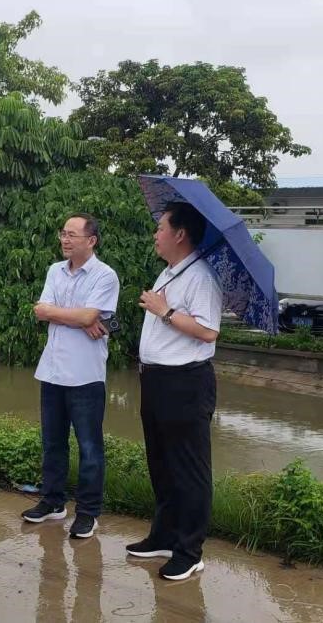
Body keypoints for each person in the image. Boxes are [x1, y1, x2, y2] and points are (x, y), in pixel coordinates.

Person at [127, 202, 223, 581]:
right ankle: (164, 536)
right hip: (156, 381)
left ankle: (189, 551)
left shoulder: (201, 277)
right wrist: (160, 307)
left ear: (180, 234)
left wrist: (164, 311)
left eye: (161, 227)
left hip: (185, 383)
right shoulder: (170, 272)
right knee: (162, 463)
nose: (156, 234)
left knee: (189, 469)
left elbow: (208, 331)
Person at [22, 214, 120, 539]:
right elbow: (40, 310)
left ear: (91, 241)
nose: (65, 239)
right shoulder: (55, 270)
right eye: (63, 233)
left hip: (85, 375)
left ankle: (88, 513)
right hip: (52, 370)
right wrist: (77, 318)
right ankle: (53, 502)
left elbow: (89, 315)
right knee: (52, 443)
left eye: (72, 235)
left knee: (90, 448)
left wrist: (73, 315)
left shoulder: (105, 276)